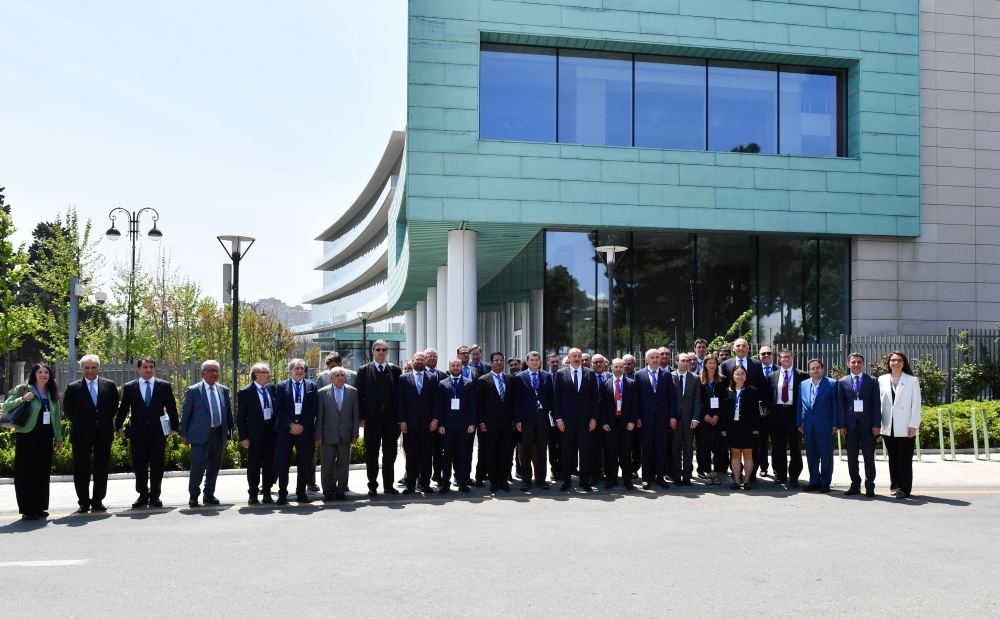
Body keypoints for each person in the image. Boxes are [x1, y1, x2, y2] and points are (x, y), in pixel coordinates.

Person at [2, 363, 64, 520]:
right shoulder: (24, 389)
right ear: (34, 374)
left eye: (46, 372)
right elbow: (6, 406)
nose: (44, 375)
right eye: (40, 372)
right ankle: (28, 509)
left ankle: (40, 506)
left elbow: (56, 417)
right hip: (27, 436)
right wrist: (23, 398)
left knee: (42, 472)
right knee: (26, 473)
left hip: (45, 437)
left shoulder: (52, 392)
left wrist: (58, 437)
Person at [116, 357, 179, 508]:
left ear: (154, 369)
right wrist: (118, 426)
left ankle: (155, 496)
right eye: (145, 367)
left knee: (157, 465)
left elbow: (171, 408)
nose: (148, 369)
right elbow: (123, 408)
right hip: (137, 433)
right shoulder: (130, 387)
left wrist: (175, 427)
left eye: (151, 367)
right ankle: (143, 495)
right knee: (139, 465)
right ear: (139, 369)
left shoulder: (163, 386)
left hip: (158, 433)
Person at [63, 354, 120, 513]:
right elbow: (68, 411)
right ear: (82, 369)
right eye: (86, 367)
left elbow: (114, 407)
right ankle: (83, 502)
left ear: (98, 368)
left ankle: (97, 501)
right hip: (81, 434)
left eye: (93, 367)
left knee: (101, 468)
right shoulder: (73, 387)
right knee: (81, 469)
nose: (90, 370)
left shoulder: (109, 386)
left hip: (103, 433)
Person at [180, 360, 234, 508]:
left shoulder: (223, 390)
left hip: (218, 434)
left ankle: (209, 494)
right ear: (203, 373)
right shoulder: (194, 390)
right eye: (211, 370)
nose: (214, 373)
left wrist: (230, 431)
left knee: (214, 466)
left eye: (216, 370)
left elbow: (228, 413)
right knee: (197, 466)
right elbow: (186, 414)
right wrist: (183, 434)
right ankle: (193, 495)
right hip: (200, 435)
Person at [356, 339, 403, 497]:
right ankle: (372, 485)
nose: (381, 352)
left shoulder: (395, 370)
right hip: (372, 420)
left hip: (391, 421)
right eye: (378, 350)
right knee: (372, 454)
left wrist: (400, 419)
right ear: (373, 352)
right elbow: (359, 396)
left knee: (390, 455)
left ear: (387, 351)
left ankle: (388, 485)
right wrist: (361, 417)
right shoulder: (364, 370)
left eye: (384, 350)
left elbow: (399, 397)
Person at [721, 338, 771, 481]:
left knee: (751, 450)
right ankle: (736, 475)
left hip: (750, 415)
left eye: (744, 345)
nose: (741, 347)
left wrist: (765, 406)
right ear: (733, 348)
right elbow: (723, 388)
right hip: (732, 417)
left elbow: (763, 386)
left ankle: (751, 476)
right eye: (738, 345)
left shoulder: (756, 364)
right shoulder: (725, 365)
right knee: (734, 451)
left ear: (748, 348)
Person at [552, 348, 600, 492]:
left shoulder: (590, 373)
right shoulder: (560, 374)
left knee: (585, 452)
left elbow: (595, 398)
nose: (577, 358)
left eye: (579, 356)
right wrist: (558, 418)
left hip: (585, 421)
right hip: (566, 421)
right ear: (569, 358)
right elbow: (556, 398)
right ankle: (566, 481)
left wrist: (594, 418)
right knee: (567, 452)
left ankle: (584, 482)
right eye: (574, 356)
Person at [274, 358, 319, 504]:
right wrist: (290, 424)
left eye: (302, 369)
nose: (299, 371)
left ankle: (301, 493)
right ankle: (282, 494)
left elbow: (314, 409)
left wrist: (302, 425)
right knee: (283, 463)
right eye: (296, 368)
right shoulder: (281, 387)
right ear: (291, 370)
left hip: (305, 431)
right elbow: (278, 408)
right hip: (286, 430)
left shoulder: (312, 386)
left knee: (304, 463)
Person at [837, 353, 882, 497]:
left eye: (859, 362)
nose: (856, 365)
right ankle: (855, 484)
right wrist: (842, 425)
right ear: (848, 364)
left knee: (869, 457)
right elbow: (841, 405)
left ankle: (870, 486)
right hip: (850, 426)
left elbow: (876, 404)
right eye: (853, 362)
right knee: (851, 457)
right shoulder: (842, 381)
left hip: (868, 426)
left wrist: (876, 425)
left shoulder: (872, 381)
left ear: (863, 364)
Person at [879, 351, 922, 499]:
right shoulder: (882, 379)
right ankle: (894, 485)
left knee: (904, 458)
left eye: (899, 360)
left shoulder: (912, 380)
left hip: (905, 426)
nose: (896, 363)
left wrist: (914, 425)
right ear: (889, 363)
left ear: (904, 363)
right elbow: (879, 403)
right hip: (887, 425)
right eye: (893, 360)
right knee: (892, 457)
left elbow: (916, 404)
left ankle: (904, 488)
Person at [635, 348, 678, 489]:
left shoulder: (666, 375)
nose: (654, 359)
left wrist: (672, 416)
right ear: (646, 359)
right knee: (646, 448)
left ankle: (660, 477)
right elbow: (636, 398)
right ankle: (646, 478)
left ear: (660, 359)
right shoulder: (639, 375)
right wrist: (637, 417)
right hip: (645, 419)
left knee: (661, 448)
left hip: (662, 419)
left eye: (656, 357)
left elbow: (672, 398)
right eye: (651, 357)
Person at [396, 351, 438, 494]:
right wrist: (401, 420)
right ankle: (410, 485)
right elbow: (400, 401)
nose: (420, 361)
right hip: (409, 424)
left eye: (422, 359)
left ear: (425, 361)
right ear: (412, 361)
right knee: (412, 455)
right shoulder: (403, 378)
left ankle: (425, 484)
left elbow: (435, 401)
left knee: (426, 455)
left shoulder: (432, 378)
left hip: (428, 425)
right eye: (417, 359)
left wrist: (435, 419)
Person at [316, 367, 360, 501]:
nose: (341, 377)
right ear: (331, 378)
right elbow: (319, 416)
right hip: (328, 435)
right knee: (327, 464)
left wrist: (355, 433)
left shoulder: (352, 392)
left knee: (343, 465)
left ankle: (341, 490)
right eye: (337, 375)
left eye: (342, 375)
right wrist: (318, 435)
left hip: (346, 434)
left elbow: (355, 414)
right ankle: (328, 491)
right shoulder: (322, 393)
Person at [797, 358, 840, 493]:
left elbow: (836, 406)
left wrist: (835, 424)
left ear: (822, 369)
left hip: (826, 426)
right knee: (811, 456)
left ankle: (825, 483)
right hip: (808, 426)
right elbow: (799, 405)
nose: (815, 370)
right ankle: (814, 481)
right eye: (812, 368)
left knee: (826, 456)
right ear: (809, 371)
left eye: (818, 368)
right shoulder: (803, 384)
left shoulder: (832, 384)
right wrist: (799, 422)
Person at [237, 362, 277, 505]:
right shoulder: (245, 392)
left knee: (269, 465)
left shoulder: (272, 389)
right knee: (253, 465)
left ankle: (267, 492)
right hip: (254, 435)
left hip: (270, 433)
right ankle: (253, 493)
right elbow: (240, 417)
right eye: (266, 372)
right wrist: (244, 437)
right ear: (257, 374)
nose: (269, 375)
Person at [475, 352, 515, 493]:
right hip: (489, 424)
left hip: (507, 424)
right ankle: (493, 481)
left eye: (501, 360)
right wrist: (481, 422)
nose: (498, 362)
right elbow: (479, 404)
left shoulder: (511, 379)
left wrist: (515, 421)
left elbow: (514, 403)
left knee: (506, 453)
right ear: (491, 363)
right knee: (491, 453)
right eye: (496, 360)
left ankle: (503, 481)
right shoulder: (483, 380)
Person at [768, 350, 808, 486]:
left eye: (788, 357)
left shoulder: (802, 375)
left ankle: (794, 476)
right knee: (778, 446)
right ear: (779, 360)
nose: (786, 359)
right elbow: (769, 396)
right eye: (783, 357)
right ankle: (780, 475)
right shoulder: (772, 376)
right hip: (777, 413)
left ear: (792, 358)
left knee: (795, 446)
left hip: (793, 413)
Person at [514, 351, 553, 491]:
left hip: (542, 417)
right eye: (532, 359)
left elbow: (551, 397)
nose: (535, 362)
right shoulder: (519, 377)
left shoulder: (548, 376)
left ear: (540, 361)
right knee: (525, 450)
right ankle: (526, 481)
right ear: (527, 361)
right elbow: (516, 401)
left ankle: (541, 480)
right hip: (526, 419)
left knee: (542, 450)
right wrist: (517, 420)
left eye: (537, 359)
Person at [436, 358, 476, 493]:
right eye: (453, 365)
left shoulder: (469, 383)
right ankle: (445, 483)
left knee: (462, 455)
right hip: (447, 426)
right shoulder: (442, 384)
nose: (455, 367)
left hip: (464, 426)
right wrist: (440, 424)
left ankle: (462, 482)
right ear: (449, 367)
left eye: (458, 365)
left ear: (461, 367)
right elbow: (439, 406)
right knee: (447, 456)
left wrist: (472, 423)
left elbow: (473, 406)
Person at [721, 366, 761, 490]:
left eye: (742, 374)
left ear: (746, 376)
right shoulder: (727, 391)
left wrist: (756, 427)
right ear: (733, 376)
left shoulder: (752, 391)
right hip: (732, 427)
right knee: (735, 454)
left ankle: (747, 480)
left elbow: (756, 411)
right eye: (737, 374)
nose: (740, 376)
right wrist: (723, 428)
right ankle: (737, 481)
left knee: (748, 454)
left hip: (748, 427)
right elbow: (724, 412)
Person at [600, 357, 637, 490]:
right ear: (611, 368)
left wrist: (632, 421)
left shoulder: (631, 383)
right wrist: (603, 422)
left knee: (626, 454)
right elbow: (602, 406)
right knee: (610, 453)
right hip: (610, 424)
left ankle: (627, 480)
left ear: (624, 368)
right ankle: (611, 480)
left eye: (621, 367)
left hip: (626, 423)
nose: (619, 369)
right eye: (616, 367)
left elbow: (635, 405)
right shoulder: (605, 384)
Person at [697, 356, 728, 485]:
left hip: (717, 419)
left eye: (714, 363)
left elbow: (724, 400)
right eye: (709, 363)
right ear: (705, 364)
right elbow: (698, 400)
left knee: (717, 447)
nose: (712, 365)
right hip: (704, 419)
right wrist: (705, 415)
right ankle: (707, 472)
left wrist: (717, 415)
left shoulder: (722, 380)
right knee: (705, 447)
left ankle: (716, 472)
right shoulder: (699, 380)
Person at [671, 353, 701, 486]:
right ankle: (677, 475)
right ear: (677, 362)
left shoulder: (695, 378)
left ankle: (687, 476)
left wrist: (696, 417)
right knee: (675, 447)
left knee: (689, 448)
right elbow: (667, 399)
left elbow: (697, 400)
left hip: (689, 419)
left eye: (687, 361)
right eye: (683, 360)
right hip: (675, 420)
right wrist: (670, 416)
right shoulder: (669, 377)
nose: (686, 363)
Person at [756, 346, 777, 478]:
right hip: (760, 413)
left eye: (769, 353)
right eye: (763, 354)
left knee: (776, 442)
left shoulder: (780, 370)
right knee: (761, 443)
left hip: (775, 414)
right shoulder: (755, 371)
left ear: (773, 355)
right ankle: (763, 467)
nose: (766, 355)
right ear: (759, 356)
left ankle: (777, 468)